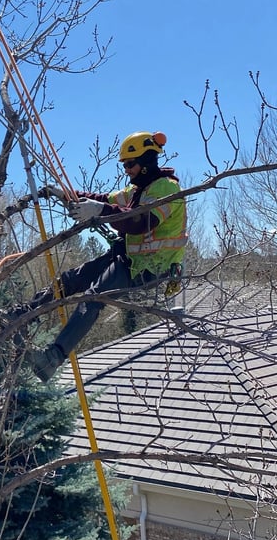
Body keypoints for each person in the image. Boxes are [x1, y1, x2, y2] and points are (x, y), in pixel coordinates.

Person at [14, 131, 187, 382]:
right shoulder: (137, 189)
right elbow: (104, 199)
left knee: (93, 298)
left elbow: (141, 221)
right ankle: (24, 312)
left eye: (130, 164)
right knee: (72, 279)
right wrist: (67, 195)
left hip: (152, 267)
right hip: (130, 259)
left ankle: (52, 359)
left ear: (147, 162)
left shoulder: (166, 189)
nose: (127, 170)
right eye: (125, 165)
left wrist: (101, 210)